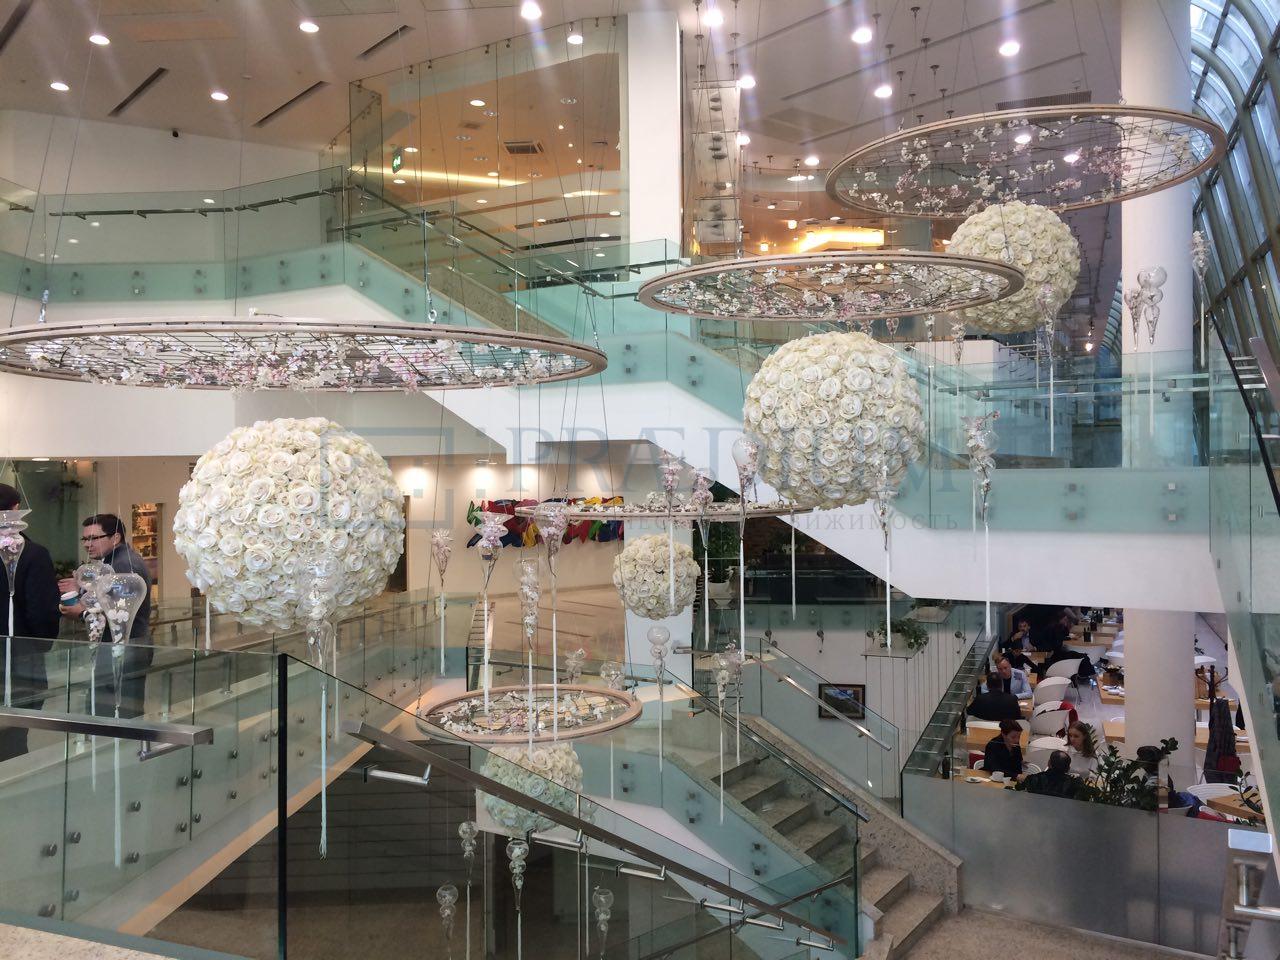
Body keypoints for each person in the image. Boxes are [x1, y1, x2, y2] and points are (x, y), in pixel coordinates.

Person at [59, 514, 152, 719]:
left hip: (123, 646)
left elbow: (118, 612)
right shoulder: (114, 562)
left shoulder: (123, 566)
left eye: (94, 538)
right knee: (109, 706)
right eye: (85, 539)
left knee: (116, 709)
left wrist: (81, 612)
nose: (87, 544)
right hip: (119, 646)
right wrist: (82, 590)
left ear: (115, 537)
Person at [0, 484, 61, 761]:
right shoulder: (33, 555)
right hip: (17, 665)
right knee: (12, 742)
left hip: (16, 661)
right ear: (16, 509)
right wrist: (40, 645)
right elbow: (42, 614)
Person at [1018, 750, 1084, 798]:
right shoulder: (1074, 784)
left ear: (1049, 763)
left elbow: (1019, 787)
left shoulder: (1034, 779)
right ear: (1068, 768)